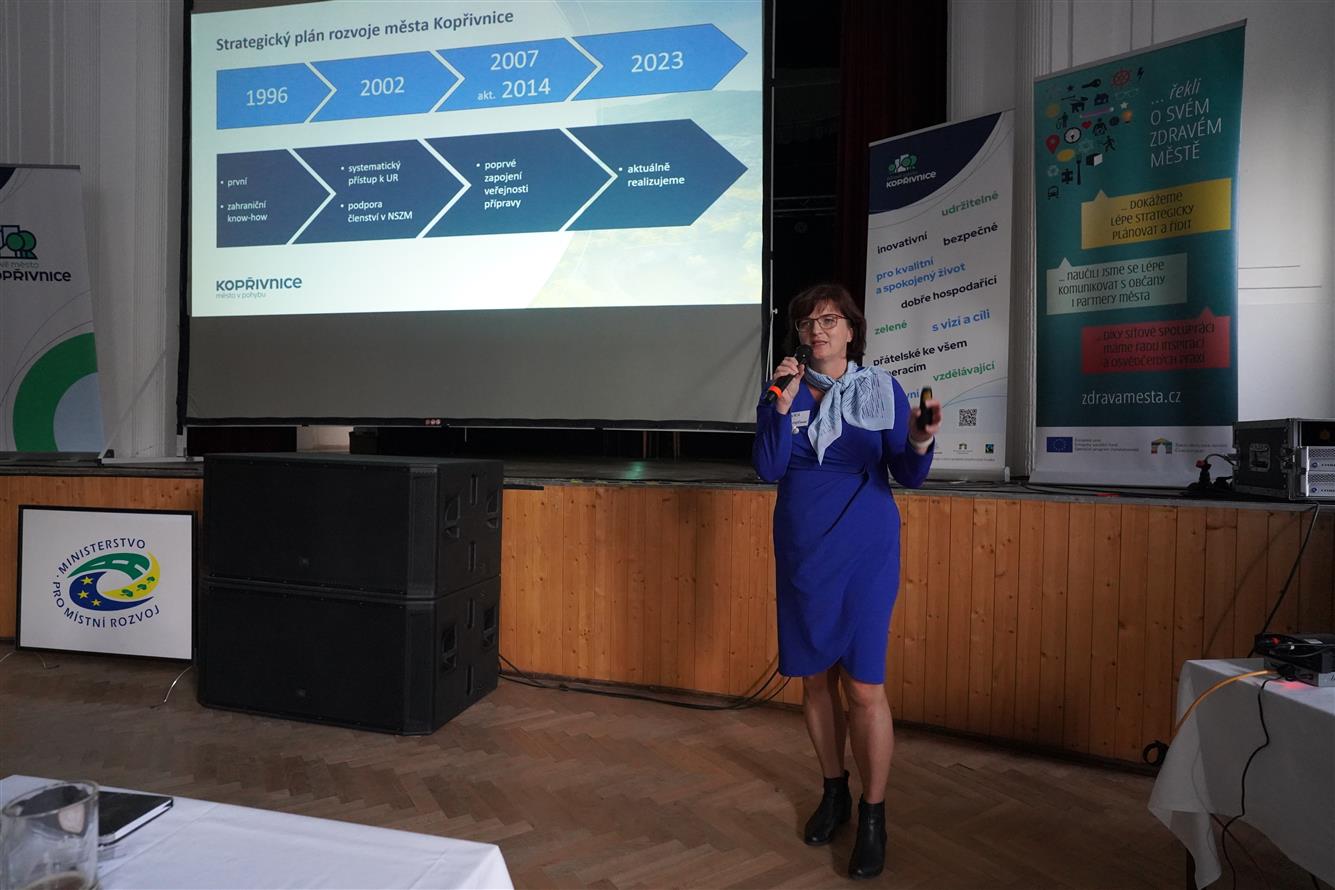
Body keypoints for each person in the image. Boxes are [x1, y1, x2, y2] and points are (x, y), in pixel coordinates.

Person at [752, 282, 940, 879]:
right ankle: (833, 791)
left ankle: (873, 813)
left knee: (863, 686)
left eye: (830, 320)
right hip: (803, 552)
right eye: (807, 322)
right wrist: (777, 407)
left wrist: (920, 437)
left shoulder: (881, 390)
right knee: (815, 682)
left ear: (852, 330)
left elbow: (907, 473)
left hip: (864, 550)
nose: (818, 330)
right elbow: (768, 468)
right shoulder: (783, 391)